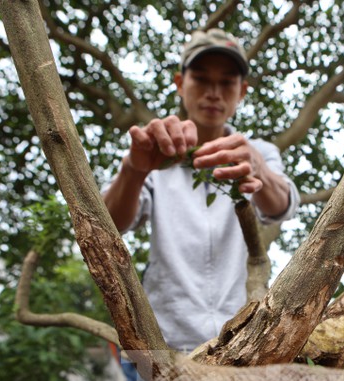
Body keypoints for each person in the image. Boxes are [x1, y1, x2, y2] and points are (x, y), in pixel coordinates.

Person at [102, 29, 300, 360]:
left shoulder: (259, 151)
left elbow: (283, 205)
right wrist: (134, 170)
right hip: (161, 346)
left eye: (226, 83)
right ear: (180, 83)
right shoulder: (154, 153)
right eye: (201, 79)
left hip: (240, 345)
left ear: (242, 92)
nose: (213, 93)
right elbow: (109, 223)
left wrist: (259, 170)